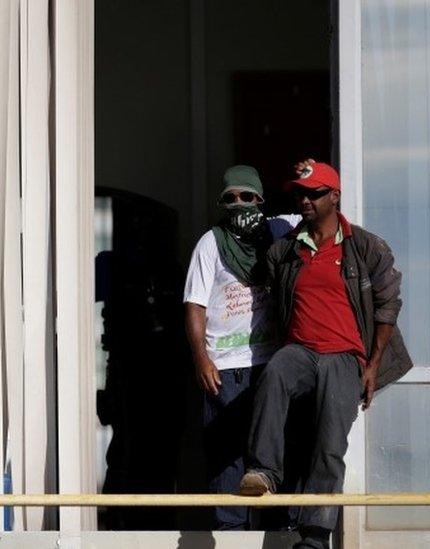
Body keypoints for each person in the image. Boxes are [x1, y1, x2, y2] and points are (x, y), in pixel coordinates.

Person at [239, 160, 413, 548]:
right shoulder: (285, 248)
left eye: (315, 193)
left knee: (329, 446)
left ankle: (315, 537)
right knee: (275, 373)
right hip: (299, 351)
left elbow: (387, 306)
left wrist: (372, 365)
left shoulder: (365, 247)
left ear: (335, 197)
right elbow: (253, 272)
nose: (305, 200)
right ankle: (263, 471)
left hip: (344, 357)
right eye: (300, 193)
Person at [183, 165, 298, 530]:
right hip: (225, 369)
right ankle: (231, 537)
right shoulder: (211, 243)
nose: (239, 204)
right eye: (230, 198)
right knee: (226, 460)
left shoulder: (281, 231)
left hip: (271, 367)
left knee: (273, 456)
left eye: (246, 197)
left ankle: (279, 534)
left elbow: (324, 215)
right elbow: (194, 304)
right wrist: (201, 357)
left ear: (260, 199)